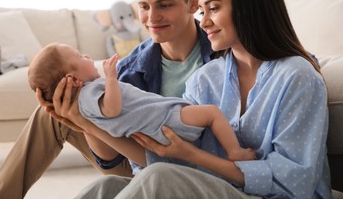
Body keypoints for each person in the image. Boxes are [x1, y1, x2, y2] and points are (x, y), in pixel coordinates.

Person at [70, 0, 332, 198]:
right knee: (105, 187)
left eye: (214, 9)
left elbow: (295, 182)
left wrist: (192, 155)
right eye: (202, 12)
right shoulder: (204, 79)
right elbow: (164, 152)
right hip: (219, 189)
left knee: (159, 177)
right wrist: (86, 123)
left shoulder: (297, 76)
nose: (204, 22)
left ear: (247, 8)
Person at [0, 0, 215, 199]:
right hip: (140, 158)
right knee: (52, 112)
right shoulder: (130, 69)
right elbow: (113, 161)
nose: (151, 17)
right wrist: (82, 121)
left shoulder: (221, 53)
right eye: (144, 6)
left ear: (193, 3)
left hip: (195, 161)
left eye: (164, 5)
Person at [28, 43, 255, 164]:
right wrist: (109, 79)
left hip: (162, 135)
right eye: (79, 56)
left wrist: (80, 119)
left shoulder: (217, 50)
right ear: (74, 79)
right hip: (163, 127)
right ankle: (235, 151)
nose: (87, 56)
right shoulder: (93, 92)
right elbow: (112, 112)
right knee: (212, 113)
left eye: (164, 5)